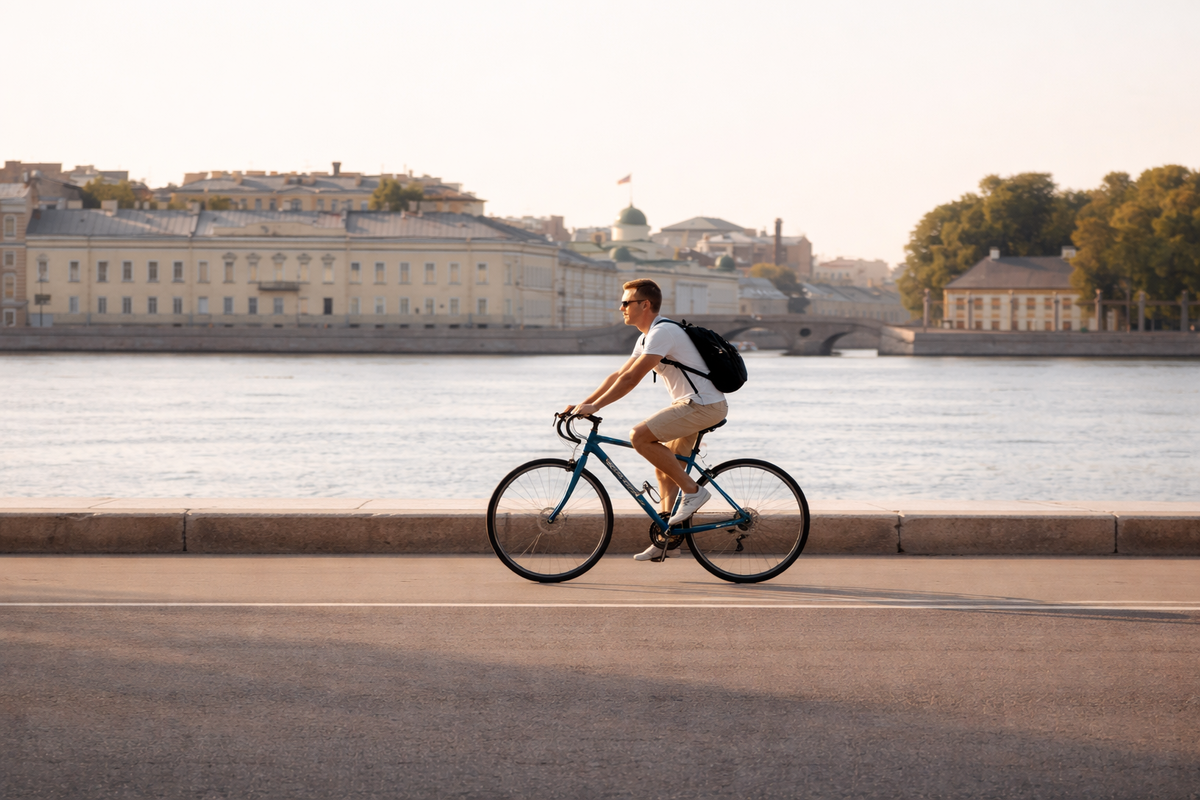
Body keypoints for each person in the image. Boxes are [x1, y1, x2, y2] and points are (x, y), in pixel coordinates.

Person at [564, 279, 728, 561]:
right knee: (665, 468)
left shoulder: (663, 332)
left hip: (703, 405)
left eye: (626, 303)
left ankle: (694, 491)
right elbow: (617, 375)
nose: (621, 308)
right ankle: (669, 537)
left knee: (639, 437)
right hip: (693, 405)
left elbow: (631, 379)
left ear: (645, 305)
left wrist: (596, 406)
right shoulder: (646, 336)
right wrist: (584, 403)